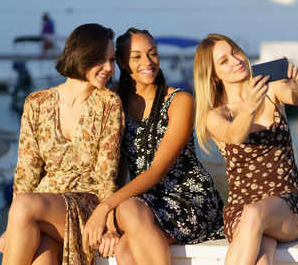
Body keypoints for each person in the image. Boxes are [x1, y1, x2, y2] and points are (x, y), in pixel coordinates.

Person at [83, 28, 224, 264]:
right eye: (136, 56)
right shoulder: (114, 100)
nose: (148, 62)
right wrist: (108, 223)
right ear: (121, 62)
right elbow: (117, 168)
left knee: (128, 213)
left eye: (152, 53)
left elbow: (158, 170)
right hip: (145, 205)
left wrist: (105, 208)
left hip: (190, 198)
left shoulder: (179, 101)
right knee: (126, 247)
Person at [0, 23, 125, 265]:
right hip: (39, 207)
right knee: (42, 259)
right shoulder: (36, 103)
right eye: (101, 59)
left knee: (24, 207)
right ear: (80, 55)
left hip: (85, 203)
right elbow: (26, 172)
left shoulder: (108, 103)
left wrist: (109, 225)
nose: (109, 68)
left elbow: (106, 175)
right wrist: (13, 225)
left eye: (112, 60)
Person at [193, 34, 298, 265]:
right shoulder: (215, 116)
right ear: (214, 76)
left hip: (288, 202)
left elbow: (295, 97)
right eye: (224, 61)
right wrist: (248, 107)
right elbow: (235, 135)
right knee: (261, 258)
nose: (236, 60)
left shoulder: (271, 89)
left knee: (255, 214)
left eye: (235, 52)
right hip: (242, 207)